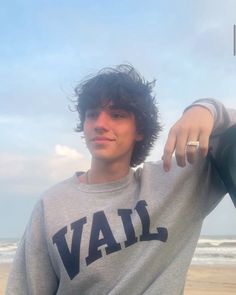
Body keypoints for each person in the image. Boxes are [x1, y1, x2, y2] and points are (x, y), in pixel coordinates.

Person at [6, 64, 236, 295]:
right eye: (92, 114)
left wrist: (204, 109)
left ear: (140, 130)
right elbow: (25, 288)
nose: (100, 124)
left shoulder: (174, 181)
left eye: (117, 115)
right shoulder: (52, 203)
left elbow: (230, 136)